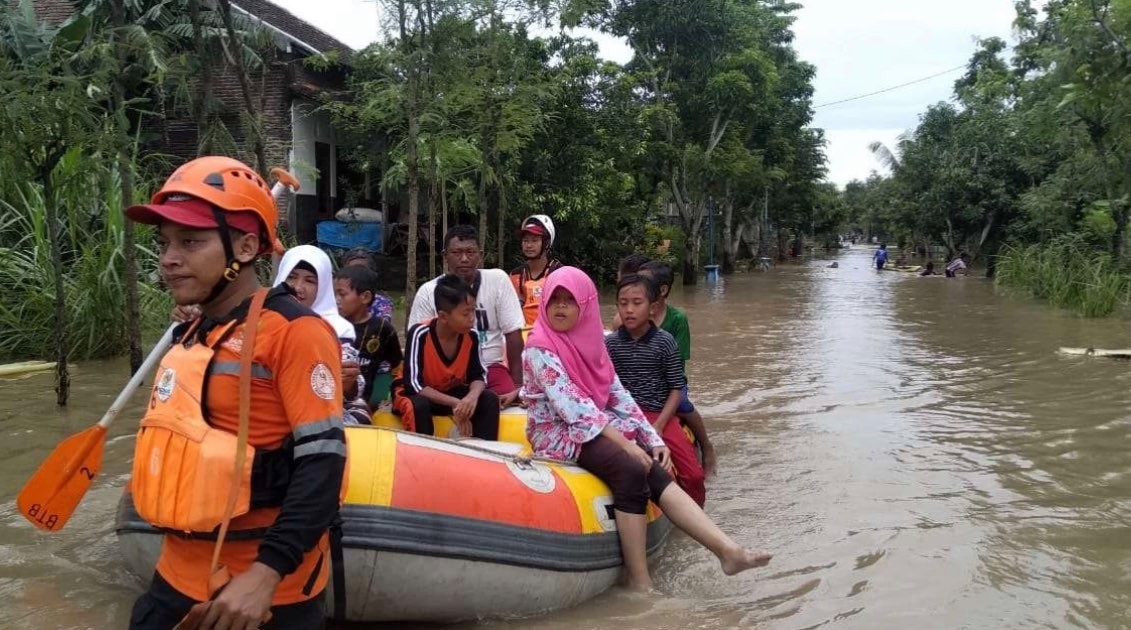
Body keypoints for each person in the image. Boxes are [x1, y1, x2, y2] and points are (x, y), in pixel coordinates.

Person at [124, 156, 345, 630]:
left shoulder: (295, 333)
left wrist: (266, 574)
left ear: (246, 247)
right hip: (176, 576)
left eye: (191, 241)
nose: (168, 258)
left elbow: (324, 461)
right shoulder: (193, 330)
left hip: (264, 594)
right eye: (164, 243)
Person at [521, 267, 771, 591]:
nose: (561, 307)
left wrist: (652, 439)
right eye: (555, 300)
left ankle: (728, 551)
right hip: (555, 431)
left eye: (570, 300)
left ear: (585, 304)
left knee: (653, 468)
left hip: (594, 424)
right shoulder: (539, 347)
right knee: (630, 468)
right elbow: (575, 409)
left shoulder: (594, 341)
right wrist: (628, 446)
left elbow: (617, 395)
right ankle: (640, 582)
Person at [606, 274, 708, 507]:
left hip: (657, 414)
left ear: (652, 307)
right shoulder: (610, 344)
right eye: (623, 303)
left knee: (693, 476)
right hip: (621, 415)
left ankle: (696, 520)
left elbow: (675, 388)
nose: (629, 310)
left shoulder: (665, 342)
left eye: (636, 303)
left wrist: (660, 425)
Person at [408, 225, 525, 407]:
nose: (464, 259)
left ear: (480, 254)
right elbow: (418, 343)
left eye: (470, 252)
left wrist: (518, 386)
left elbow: (513, 334)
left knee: (499, 402)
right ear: (445, 256)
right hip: (444, 371)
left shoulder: (498, 280)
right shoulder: (428, 292)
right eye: (456, 252)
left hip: (490, 365)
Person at [637, 261, 718, 481]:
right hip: (638, 380)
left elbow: (678, 365)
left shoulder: (677, 319)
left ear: (662, 290)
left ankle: (706, 445)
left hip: (670, 380)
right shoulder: (633, 315)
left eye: (645, 283)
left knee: (682, 404)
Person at [394, 274, 500, 439]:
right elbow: (414, 385)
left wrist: (471, 398)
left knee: (489, 399)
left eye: (473, 311)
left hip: (450, 391)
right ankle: (423, 452)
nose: (472, 319)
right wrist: (456, 403)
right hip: (420, 394)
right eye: (465, 314)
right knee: (418, 406)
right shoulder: (420, 333)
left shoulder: (471, 335)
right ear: (443, 316)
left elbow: (478, 375)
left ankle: (485, 450)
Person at [274, 245, 370, 425]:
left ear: (323, 287)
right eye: (292, 277)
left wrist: (348, 383)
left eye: (310, 281)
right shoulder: (262, 320)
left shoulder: (337, 328)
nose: (298, 287)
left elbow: (353, 389)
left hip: (319, 410)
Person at [335, 265, 403, 410]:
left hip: (361, 403)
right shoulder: (330, 324)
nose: (337, 300)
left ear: (365, 297)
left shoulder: (383, 329)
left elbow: (397, 366)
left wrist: (394, 397)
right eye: (335, 294)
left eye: (342, 294)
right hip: (331, 399)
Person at [510, 214, 563, 327]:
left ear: (546, 243)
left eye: (534, 240)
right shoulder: (515, 275)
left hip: (553, 333)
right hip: (524, 334)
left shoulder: (559, 273)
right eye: (525, 240)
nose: (529, 245)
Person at [341, 247, 395, 320]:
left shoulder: (381, 303)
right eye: (352, 271)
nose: (357, 275)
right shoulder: (335, 300)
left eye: (362, 271)